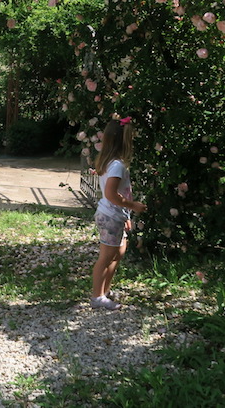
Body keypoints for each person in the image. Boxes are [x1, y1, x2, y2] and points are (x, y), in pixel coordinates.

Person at [90, 117, 147, 311]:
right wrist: (134, 206)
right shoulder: (116, 166)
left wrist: (127, 216)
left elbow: (120, 193)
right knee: (106, 256)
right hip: (110, 216)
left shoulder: (113, 163)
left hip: (116, 216)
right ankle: (97, 297)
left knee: (119, 252)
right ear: (124, 141)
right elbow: (112, 194)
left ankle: (105, 291)